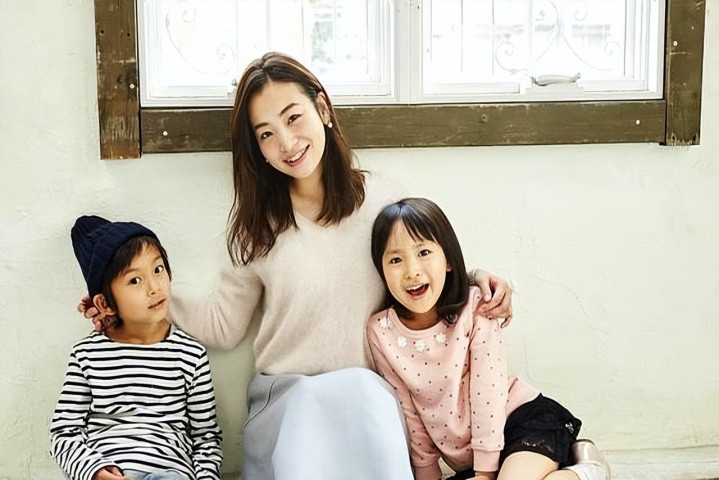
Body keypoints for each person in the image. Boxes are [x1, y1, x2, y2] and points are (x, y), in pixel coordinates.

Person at [80, 52, 514, 480]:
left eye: (293, 118)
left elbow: (418, 272)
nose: (287, 143)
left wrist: (477, 281)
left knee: (365, 394)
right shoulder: (255, 228)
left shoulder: (382, 202)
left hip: (367, 399)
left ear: (322, 109)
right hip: (287, 398)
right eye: (266, 134)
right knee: (312, 403)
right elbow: (223, 326)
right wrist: (133, 297)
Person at [367, 198, 611, 480]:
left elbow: (488, 393)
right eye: (395, 260)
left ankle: (590, 472)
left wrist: (484, 473)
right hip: (470, 459)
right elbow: (408, 411)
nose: (412, 271)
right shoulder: (380, 331)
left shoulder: (475, 307)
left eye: (423, 252)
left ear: (448, 260)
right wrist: (427, 473)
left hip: (521, 421)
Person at [54, 215, 223, 480]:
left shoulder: (190, 355)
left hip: (170, 474)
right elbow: (64, 433)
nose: (154, 287)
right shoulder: (87, 355)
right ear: (105, 304)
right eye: (135, 280)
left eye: (158, 269)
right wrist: (94, 471)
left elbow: (206, 438)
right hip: (112, 471)